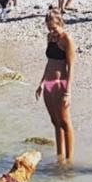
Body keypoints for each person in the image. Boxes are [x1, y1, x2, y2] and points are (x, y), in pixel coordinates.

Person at [35, 11, 76, 163]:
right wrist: (41, 83)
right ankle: (60, 156)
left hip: (61, 84)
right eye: (49, 28)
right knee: (55, 122)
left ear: (60, 23)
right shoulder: (50, 38)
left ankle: (69, 159)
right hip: (49, 84)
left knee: (65, 122)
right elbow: (49, 62)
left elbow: (71, 66)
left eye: (54, 28)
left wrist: (68, 92)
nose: (52, 32)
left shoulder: (67, 40)